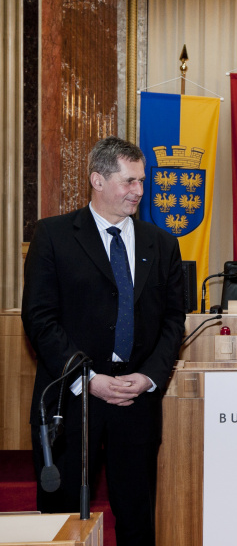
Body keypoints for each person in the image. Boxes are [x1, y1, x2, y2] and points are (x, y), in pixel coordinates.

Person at [22, 136, 186, 546]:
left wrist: (148, 377)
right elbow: (40, 319)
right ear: (97, 179)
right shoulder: (53, 236)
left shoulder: (162, 244)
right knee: (60, 520)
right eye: (129, 181)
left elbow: (173, 320)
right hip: (70, 398)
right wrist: (87, 377)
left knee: (136, 517)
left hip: (136, 401)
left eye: (142, 181)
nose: (140, 192)